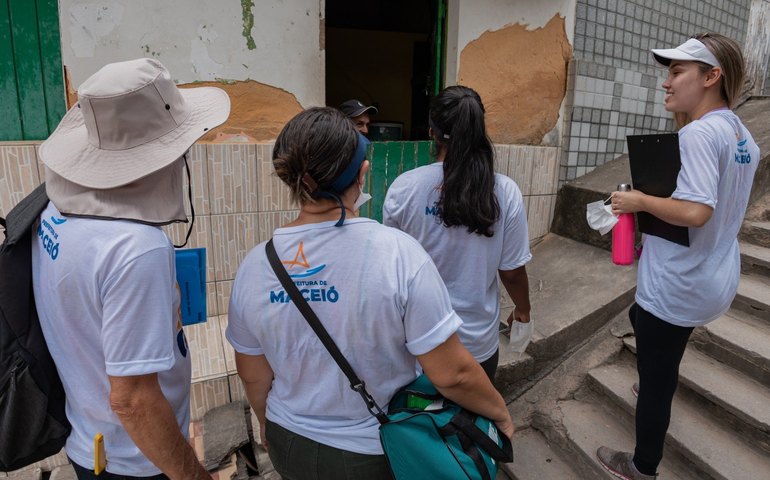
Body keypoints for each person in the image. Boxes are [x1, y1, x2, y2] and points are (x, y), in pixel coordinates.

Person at [225, 107, 513, 479]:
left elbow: (253, 374)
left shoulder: (254, 265)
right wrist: (500, 413)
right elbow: (453, 374)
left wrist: (268, 423)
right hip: (367, 452)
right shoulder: (397, 253)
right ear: (362, 175)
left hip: (288, 440)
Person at [32, 58, 230, 479]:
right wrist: (192, 475)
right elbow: (133, 400)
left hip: (91, 442)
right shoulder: (135, 248)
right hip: (135, 463)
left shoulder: (55, 211)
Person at [597, 33, 759, 479]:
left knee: (656, 382)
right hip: (713, 276)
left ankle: (640, 467)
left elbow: (697, 211)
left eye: (675, 72)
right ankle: (655, 372)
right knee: (647, 329)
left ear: (711, 76)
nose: (665, 84)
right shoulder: (743, 136)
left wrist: (640, 203)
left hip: (678, 282)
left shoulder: (698, 134)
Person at [383, 85, 532, 381]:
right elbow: (512, 272)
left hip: (419, 344)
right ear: (478, 131)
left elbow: (392, 270)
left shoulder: (404, 188)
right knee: (473, 426)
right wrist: (523, 310)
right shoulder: (505, 192)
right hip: (477, 348)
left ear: (431, 132)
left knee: (419, 426)